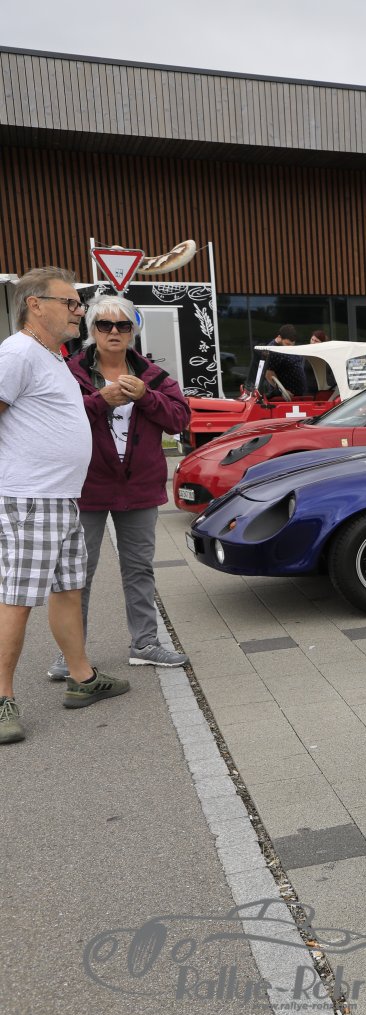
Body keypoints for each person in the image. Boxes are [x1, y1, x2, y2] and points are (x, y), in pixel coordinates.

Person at [0, 267, 131, 743]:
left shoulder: (51, 355)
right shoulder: (17, 352)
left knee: (68, 590)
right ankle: (1, 699)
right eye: (70, 303)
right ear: (35, 305)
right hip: (31, 497)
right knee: (17, 599)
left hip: (62, 496)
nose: (79, 312)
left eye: (78, 304)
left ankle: (82, 678)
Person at [51, 295, 192, 681]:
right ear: (91, 329)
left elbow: (180, 420)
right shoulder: (69, 372)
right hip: (86, 487)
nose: (114, 332)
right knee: (77, 573)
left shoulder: (153, 376)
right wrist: (100, 401)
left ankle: (144, 644)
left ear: (133, 331)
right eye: (104, 325)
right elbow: (54, 422)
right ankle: (71, 655)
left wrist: (147, 397)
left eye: (123, 325)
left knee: (139, 568)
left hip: (139, 488)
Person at [262, 324, 308, 399]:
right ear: (279, 338)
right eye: (287, 344)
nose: (290, 347)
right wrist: (283, 391)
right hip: (285, 397)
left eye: (292, 345)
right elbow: (268, 374)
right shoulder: (273, 350)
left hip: (297, 395)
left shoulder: (285, 347)